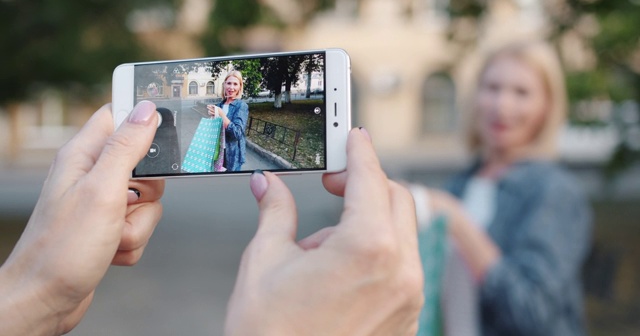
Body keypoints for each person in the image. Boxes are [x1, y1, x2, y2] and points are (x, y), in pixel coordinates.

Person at [0, 100, 424, 335]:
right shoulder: (219, 104)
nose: (235, 86)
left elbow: (236, 133)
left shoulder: (234, 107)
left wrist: (40, 292)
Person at [413, 41, 593, 335]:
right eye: (493, 88)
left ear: (546, 107)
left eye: (521, 92)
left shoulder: (554, 191)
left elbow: (532, 312)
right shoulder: (462, 183)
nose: (502, 105)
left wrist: (458, 221)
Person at [207, 71, 249, 171]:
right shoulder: (219, 105)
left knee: (231, 184)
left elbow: (237, 133)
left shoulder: (241, 106)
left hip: (232, 156)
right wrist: (212, 119)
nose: (231, 87)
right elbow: (215, 133)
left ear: (240, 87)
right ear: (224, 84)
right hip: (218, 153)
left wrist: (222, 115)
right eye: (229, 83)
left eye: (235, 84)